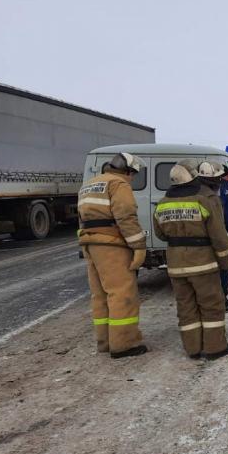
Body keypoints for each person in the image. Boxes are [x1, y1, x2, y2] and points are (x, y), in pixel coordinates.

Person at [153, 162, 228, 360]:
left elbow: (160, 234)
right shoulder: (203, 200)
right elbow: (219, 236)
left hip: (175, 265)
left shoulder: (163, 203)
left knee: (186, 307)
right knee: (211, 305)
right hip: (203, 264)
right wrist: (226, 262)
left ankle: (193, 348)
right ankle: (215, 347)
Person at [77, 152, 148, 358]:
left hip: (90, 243)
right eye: (132, 174)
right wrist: (139, 247)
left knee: (100, 295)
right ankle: (124, 344)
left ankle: (105, 341)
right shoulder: (118, 184)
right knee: (122, 293)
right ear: (126, 171)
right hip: (112, 245)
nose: (132, 178)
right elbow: (126, 217)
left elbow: (81, 219)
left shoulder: (89, 184)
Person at [197, 162, 228, 311]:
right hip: (212, 243)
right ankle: (219, 300)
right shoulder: (210, 197)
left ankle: (222, 297)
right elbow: (217, 226)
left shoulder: (193, 193)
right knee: (223, 270)